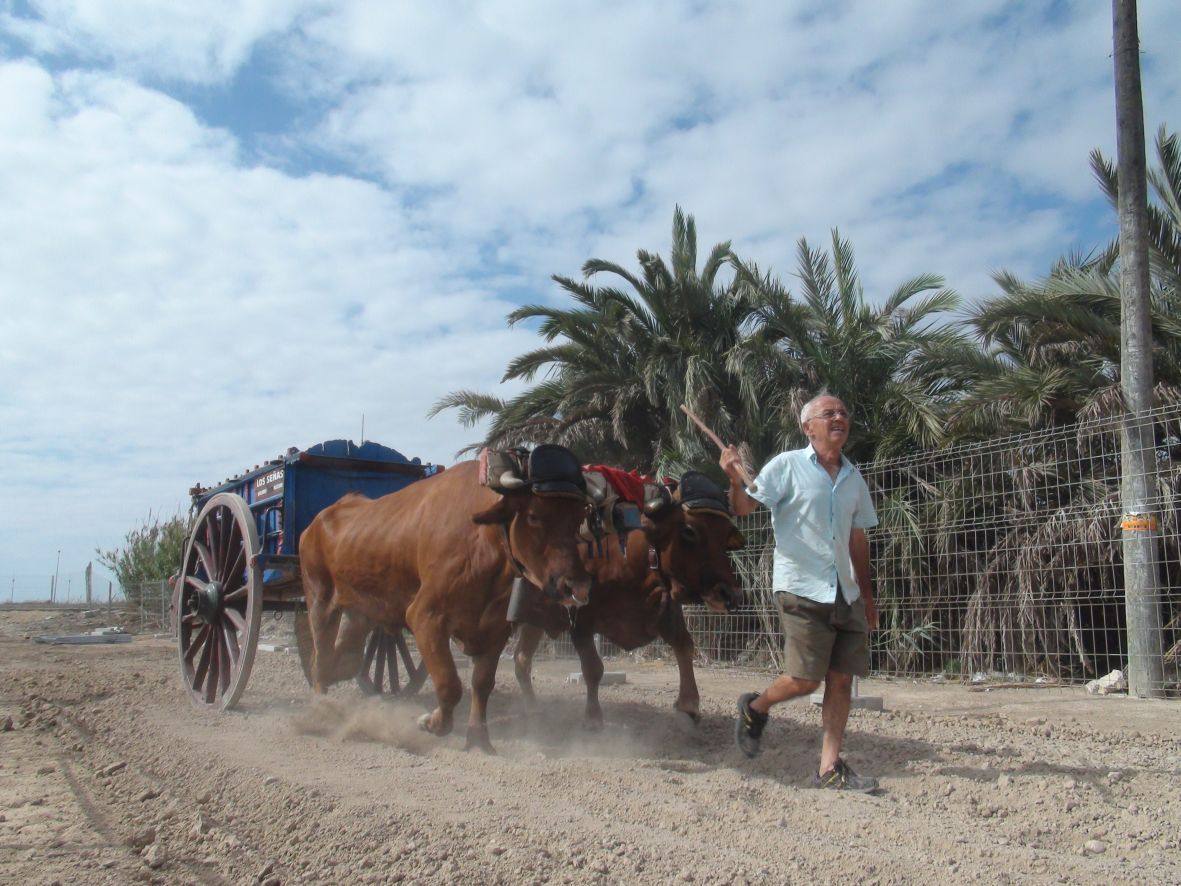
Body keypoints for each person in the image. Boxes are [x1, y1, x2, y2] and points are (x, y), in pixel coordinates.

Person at [720, 393, 880, 792]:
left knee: (841, 681)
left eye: (843, 412)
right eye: (829, 414)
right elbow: (743, 509)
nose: (839, 417)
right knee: (805, 680)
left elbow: (857, 539)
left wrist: (867, 594)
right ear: (808, 427)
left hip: (844, 592)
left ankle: (828, 768)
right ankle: (756, 707)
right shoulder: (787, 466)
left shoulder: (853, 477)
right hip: (800, 589)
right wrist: (732, 477)